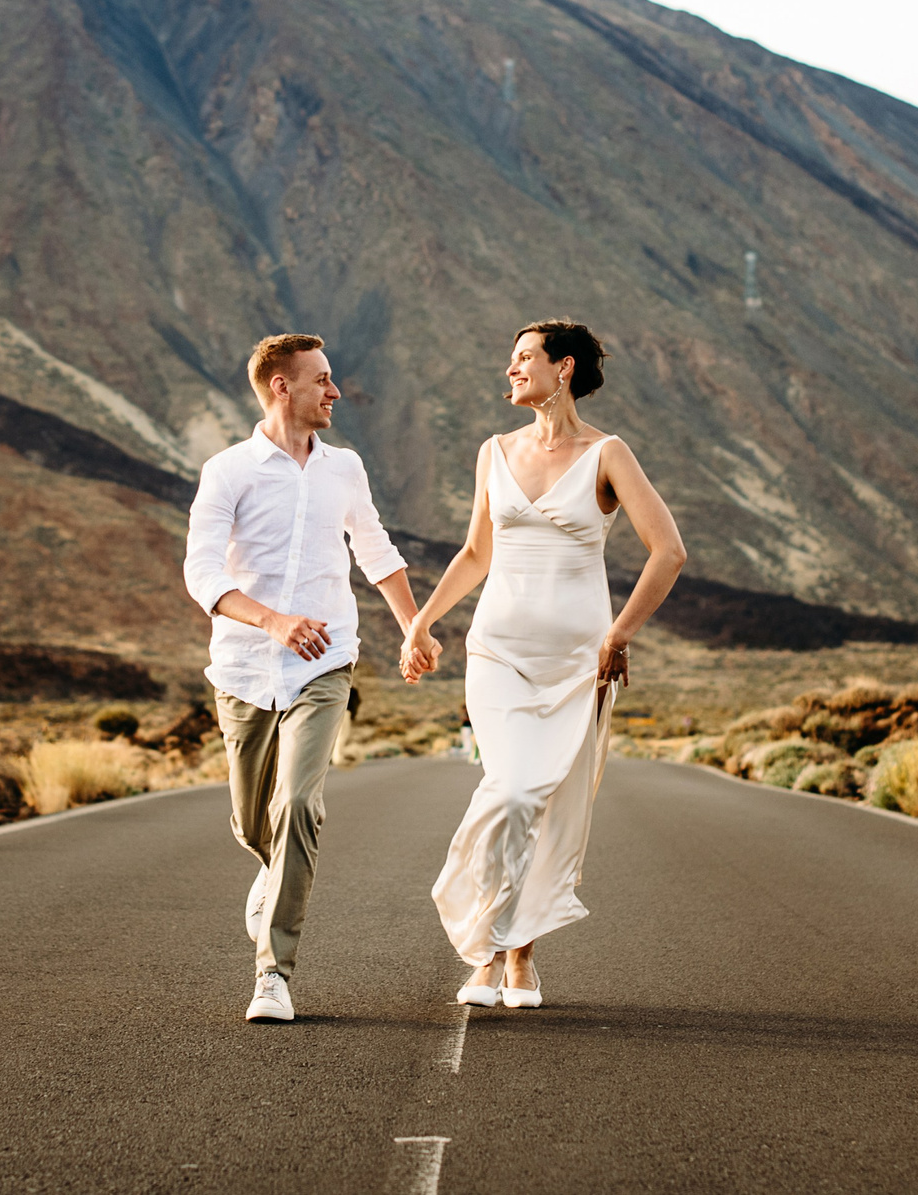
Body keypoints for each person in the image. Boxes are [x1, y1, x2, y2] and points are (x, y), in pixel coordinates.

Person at [400, 319, 685, 1008]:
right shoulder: (493, 451)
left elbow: (668, 550)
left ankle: (519, 955)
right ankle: (487, 945)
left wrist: (619, 633)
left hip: (576, 663)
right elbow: (476, 553)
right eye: (510, 359)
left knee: (551, 806)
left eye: (524, 358)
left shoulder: (608, 454)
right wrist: (421, 619)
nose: (511, 369)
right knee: (513, 789)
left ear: (563, 367)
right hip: (498, 651)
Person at [184, 332, 419, 1023]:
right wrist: (272, 620)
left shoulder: (344, 468)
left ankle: (273, 974)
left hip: (325, 661)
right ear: (282, 386)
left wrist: (413, 625)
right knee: (253, 819)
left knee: (298, 805)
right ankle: (270, 868)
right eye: (322, 379)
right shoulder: (228, 471)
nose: (336, 391)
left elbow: (375, 548)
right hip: (243, 668)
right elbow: (204, 572)